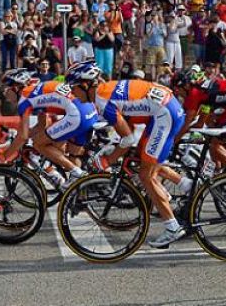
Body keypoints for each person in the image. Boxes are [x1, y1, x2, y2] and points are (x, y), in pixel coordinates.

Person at [70, 61, 186, 249]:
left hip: (164, 115)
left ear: (85, 85)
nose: (72, 93)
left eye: (73, 87)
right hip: (165, 108)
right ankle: (183, 186)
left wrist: (107, 160)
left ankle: (172, 226)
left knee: (145, 175)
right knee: (142, 158)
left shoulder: (102, 100)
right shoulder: (105, 90)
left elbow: (128, 138)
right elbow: (128, 124)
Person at [0, 69, 96, 187]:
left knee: (38, 144)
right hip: (89, 111)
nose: (4, 93)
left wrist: (4, 157)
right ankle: (78, 196)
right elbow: (41, 125)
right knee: (72, 155)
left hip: (77, 114)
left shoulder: (24, 99)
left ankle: (76, 172)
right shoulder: (35, 90)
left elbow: (22, 136)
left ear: (16, 88)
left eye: (6, 89)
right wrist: (20, 135)